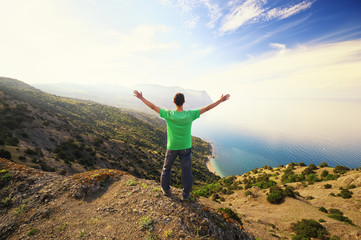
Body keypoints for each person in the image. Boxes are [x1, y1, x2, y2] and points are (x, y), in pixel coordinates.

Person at [133, 90, 230, 200]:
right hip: (185, 147)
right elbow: (207, 108)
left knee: (166, 168)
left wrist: (141, 98)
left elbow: (152, 107)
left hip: (172, 147)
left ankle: (165, 189)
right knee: (186, 171)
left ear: (174, 102)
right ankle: (186, 194)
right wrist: (220, 100)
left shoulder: (169, 114)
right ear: (183, 102)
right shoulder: (190, 115)